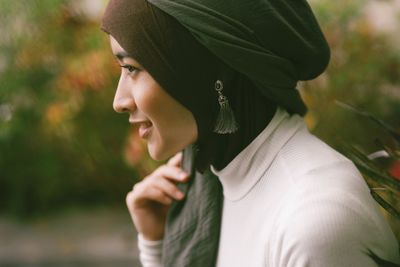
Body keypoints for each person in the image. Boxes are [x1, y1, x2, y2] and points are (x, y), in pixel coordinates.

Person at [101, 0, 400, 266]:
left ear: (205, 70)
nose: (119, 102)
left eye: (132, 68)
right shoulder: (210, 183)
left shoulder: (315, 223)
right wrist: (156, 245)